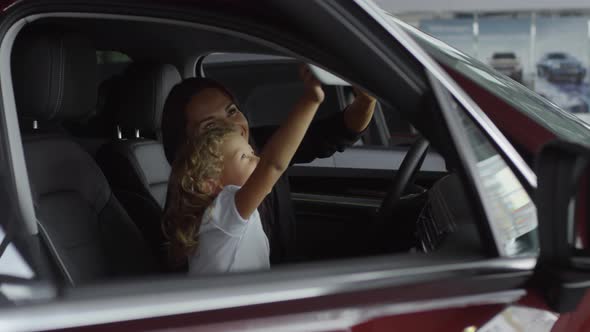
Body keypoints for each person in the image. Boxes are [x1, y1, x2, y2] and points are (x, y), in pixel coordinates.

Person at [161, 64, 376, 266]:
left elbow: (333, 133)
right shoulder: (212, 211)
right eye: (210, 126)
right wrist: (312, 98)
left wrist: (366, 100)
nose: (231, 128)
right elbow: (273, 164)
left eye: (232, 111)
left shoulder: (257, 145)